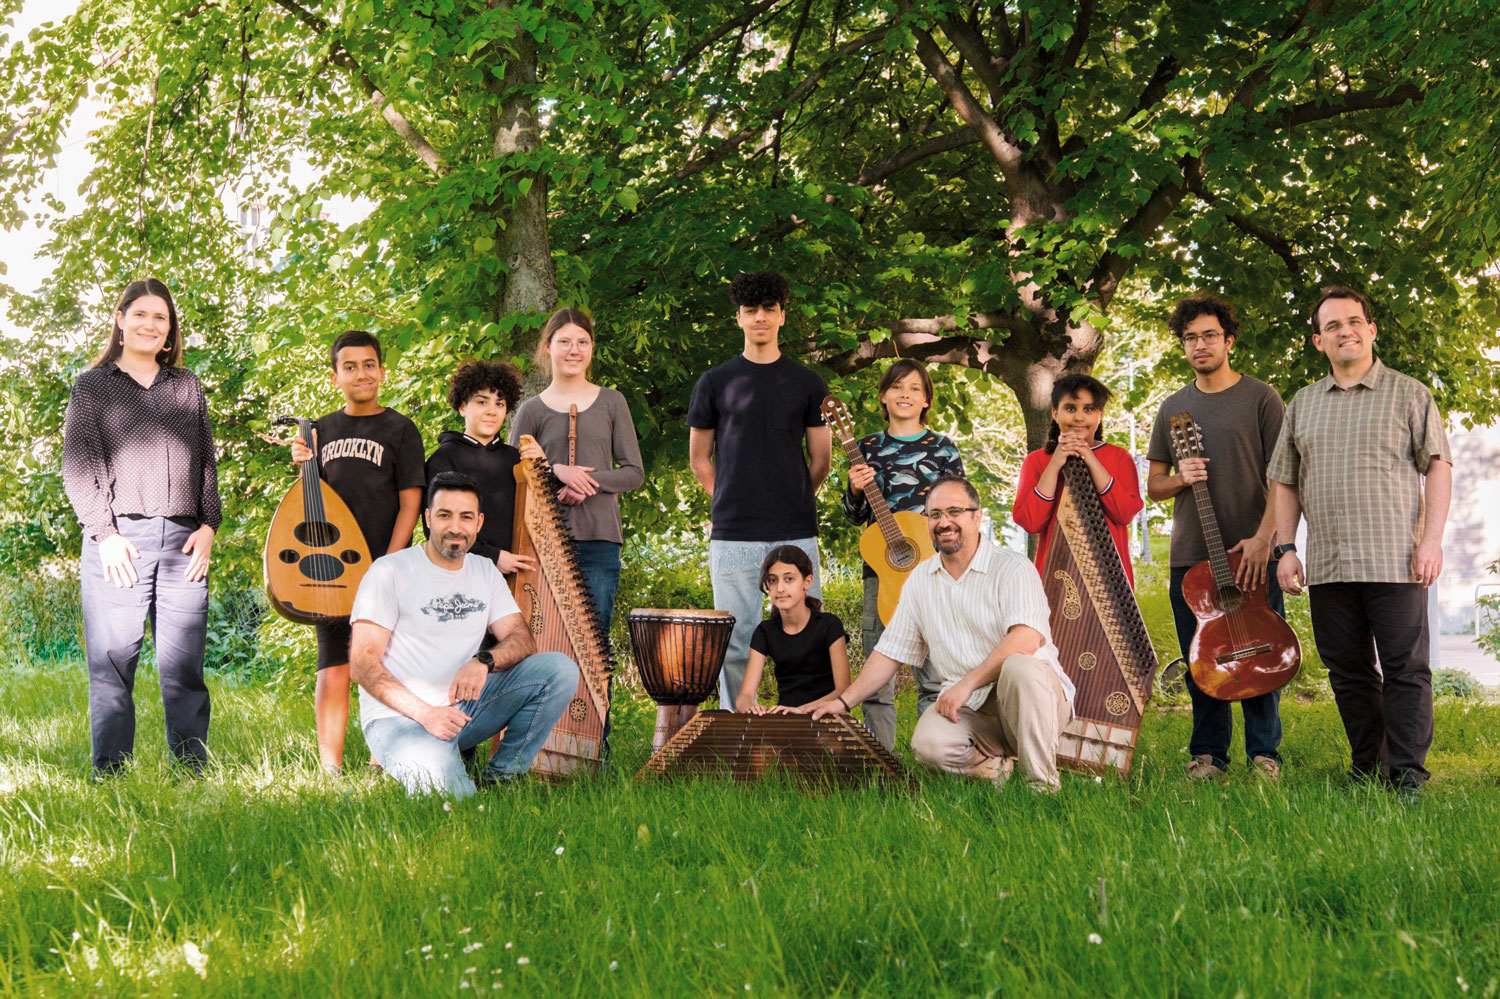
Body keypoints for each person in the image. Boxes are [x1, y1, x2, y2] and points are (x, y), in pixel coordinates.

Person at [1269, 286, 1451, 798]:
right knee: (1348, 672)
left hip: (1397, 561)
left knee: (1405, 669)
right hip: (1330, 564)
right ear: (1318, 341)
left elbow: (1438, 468)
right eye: (1332, 326)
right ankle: (1369, 765)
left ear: (1371, 330)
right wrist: (1286, 548)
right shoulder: (1303, 403)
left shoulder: (1409, 394)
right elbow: (1284, 481)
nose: (1344, 331)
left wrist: (1431, 542)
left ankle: (1408, 774)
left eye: (1353, 322)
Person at [795, 476, 1074, 791]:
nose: (944, 522)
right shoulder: (920, 581)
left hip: (1035, 701)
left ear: (977, 517)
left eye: (955, 511)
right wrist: (843, 703)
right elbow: (889, 652)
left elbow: (1025, 640)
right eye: (935, 514)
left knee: (1020, 666)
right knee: (929, 743)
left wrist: (966, 684)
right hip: (974, 709)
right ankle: (997, 771)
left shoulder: (1012, 567)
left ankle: (1041, 787)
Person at [62, 278, 221, 776]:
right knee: (113, 662)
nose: (150, 325)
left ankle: (192, 774)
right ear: (120, 319)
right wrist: (104, 534)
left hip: (183, 543)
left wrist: (209, 527)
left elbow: (206, 462)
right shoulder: (93, 387)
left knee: (184, 665)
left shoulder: (186, 386)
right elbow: (78, 468)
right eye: (141, 315)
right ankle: (111, 776)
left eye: (161, 318)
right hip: (119, 542)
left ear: (170, 330)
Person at [349, 472, 577, 797]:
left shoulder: (484, 571)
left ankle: (501, 779)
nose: (456, 527)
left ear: (479, 522)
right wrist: (426, 714)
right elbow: (362, 665)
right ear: (428, 518)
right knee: (456, 802)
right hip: (400, 720)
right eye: (445, 515)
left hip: (464, 711)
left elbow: (521, 639)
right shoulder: (390, 571)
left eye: (466, 517)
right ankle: (430, 768)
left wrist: (483, 661)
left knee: (559, 670)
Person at [1146, 294, 1288, 780]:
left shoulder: (1262, 398)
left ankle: (1264, 753)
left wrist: (1265, 538)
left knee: (1260, 651)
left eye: (1209, 335)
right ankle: (1209, 755)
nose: (1200, 345)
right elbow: (1154, 486)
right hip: (1191, 554)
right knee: (1201, 659)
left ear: (1229, 340)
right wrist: (1180, 477)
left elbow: (1284, 477)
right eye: (1190, 338)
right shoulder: (1172, 408)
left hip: (1252, 552)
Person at [688, 271, 832, 708]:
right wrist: (728, 500)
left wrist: (792, 497)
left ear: (782, 315)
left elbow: (821, 461)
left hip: (796, 531)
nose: (760, 318)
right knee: (734, 643)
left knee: (807, 640)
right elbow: (700, 460)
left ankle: (808, 728)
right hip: (733, 534)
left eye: (769, 309)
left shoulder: (808, 383)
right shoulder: (714, 382)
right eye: (751, 310)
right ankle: (736, 728)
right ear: (739, 318)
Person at [290, 330, 425, 773]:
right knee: (333, 665)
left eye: (369, 365)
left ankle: (378, 762)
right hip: (331, 568)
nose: (361, 373)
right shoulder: (320, 430)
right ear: (335, 377)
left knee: (380, 663)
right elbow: (311, 502)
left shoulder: (401, 429)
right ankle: (329, 768)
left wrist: (390, 562)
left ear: (382, 372)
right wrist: (301, 463)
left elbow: (411, 503)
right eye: (349, 367)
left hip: (385, 565)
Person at [839, 358, 964, 750]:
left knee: (935, 677)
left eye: (914, 388)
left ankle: (934, 752)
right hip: (882, 574)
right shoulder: (866, 448)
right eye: (896, 386)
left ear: (926, 400)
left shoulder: (943, 449)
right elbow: (854, 517)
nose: (905, 394)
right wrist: (855, 490)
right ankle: (881, 758)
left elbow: (960, 512)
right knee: (876, 679)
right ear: (882, 396)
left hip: (933, 573)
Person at [511, 308, 643, 631]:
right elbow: (513, 475)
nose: (574, 350)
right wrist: (557, 471)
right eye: (565, 342)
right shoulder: (531, 410)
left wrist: (585, 481)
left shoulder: (613, 402)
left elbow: (633, 473)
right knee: (542, 637)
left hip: (599, 539)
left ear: (592, 348)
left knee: (593, 643)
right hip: (541, 541)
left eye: (583, 342)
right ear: (548, 346)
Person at [1013, 373, 1144, 587]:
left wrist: (1090, 458)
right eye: (1070, 408)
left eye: (1089, 409)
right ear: (1055, 413)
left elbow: (1124, 513)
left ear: (1100, 414)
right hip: (1054, 580)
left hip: (1110, 584)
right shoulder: (1036, 461)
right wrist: (1055, 463)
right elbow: (1030, 522)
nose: (1079, 417)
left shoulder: (1120, 457)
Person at [425, 360, 537, 578]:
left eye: (499, 404)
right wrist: (493, 557)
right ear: (462, 407)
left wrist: (543, 467)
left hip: (517, 577)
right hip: (460, 573)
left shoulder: (517, 460)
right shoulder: (444, 459)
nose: (491, 411)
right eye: (482, 402)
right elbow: (436, 528)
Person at [734, 546, 850, 713]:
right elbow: (744, 695)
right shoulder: (765, 631)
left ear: (807, 582)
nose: (780, 588)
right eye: (773, 580)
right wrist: (751, 708)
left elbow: (843, 690)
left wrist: (801, 711)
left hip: (826, 717)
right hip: (785, 719)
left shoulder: (829, 625)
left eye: (789, 579)